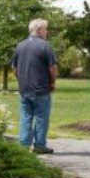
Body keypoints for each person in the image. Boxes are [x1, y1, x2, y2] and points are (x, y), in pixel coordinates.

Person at [11, 18, 58, 154]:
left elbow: (14, 67)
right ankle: (40, 145)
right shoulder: (45, 46)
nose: (46, 31)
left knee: (26, 116)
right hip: (40, 88)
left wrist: (21, 80)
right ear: (38, 30)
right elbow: (52, 67)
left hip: (24, 89)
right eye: (45, 29)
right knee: (42, 117)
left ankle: (24, 145)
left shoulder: (20, 45)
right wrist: (52, 82)